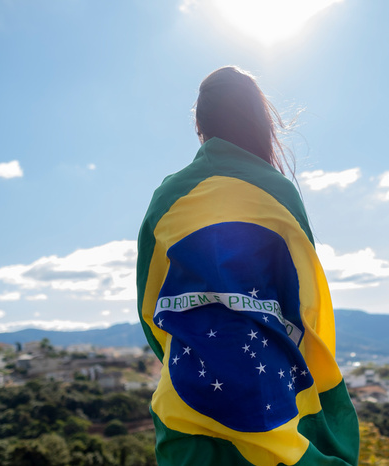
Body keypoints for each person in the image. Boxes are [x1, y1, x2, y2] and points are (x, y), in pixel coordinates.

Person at [136, 66, 359, 466]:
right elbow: (308, 304)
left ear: (200, 125)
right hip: (270, 404)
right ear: (259, 120)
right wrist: (321, 392)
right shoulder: (276, 191)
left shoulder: (168, 195)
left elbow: (151, 308)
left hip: (186, 407)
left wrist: (193, 354)